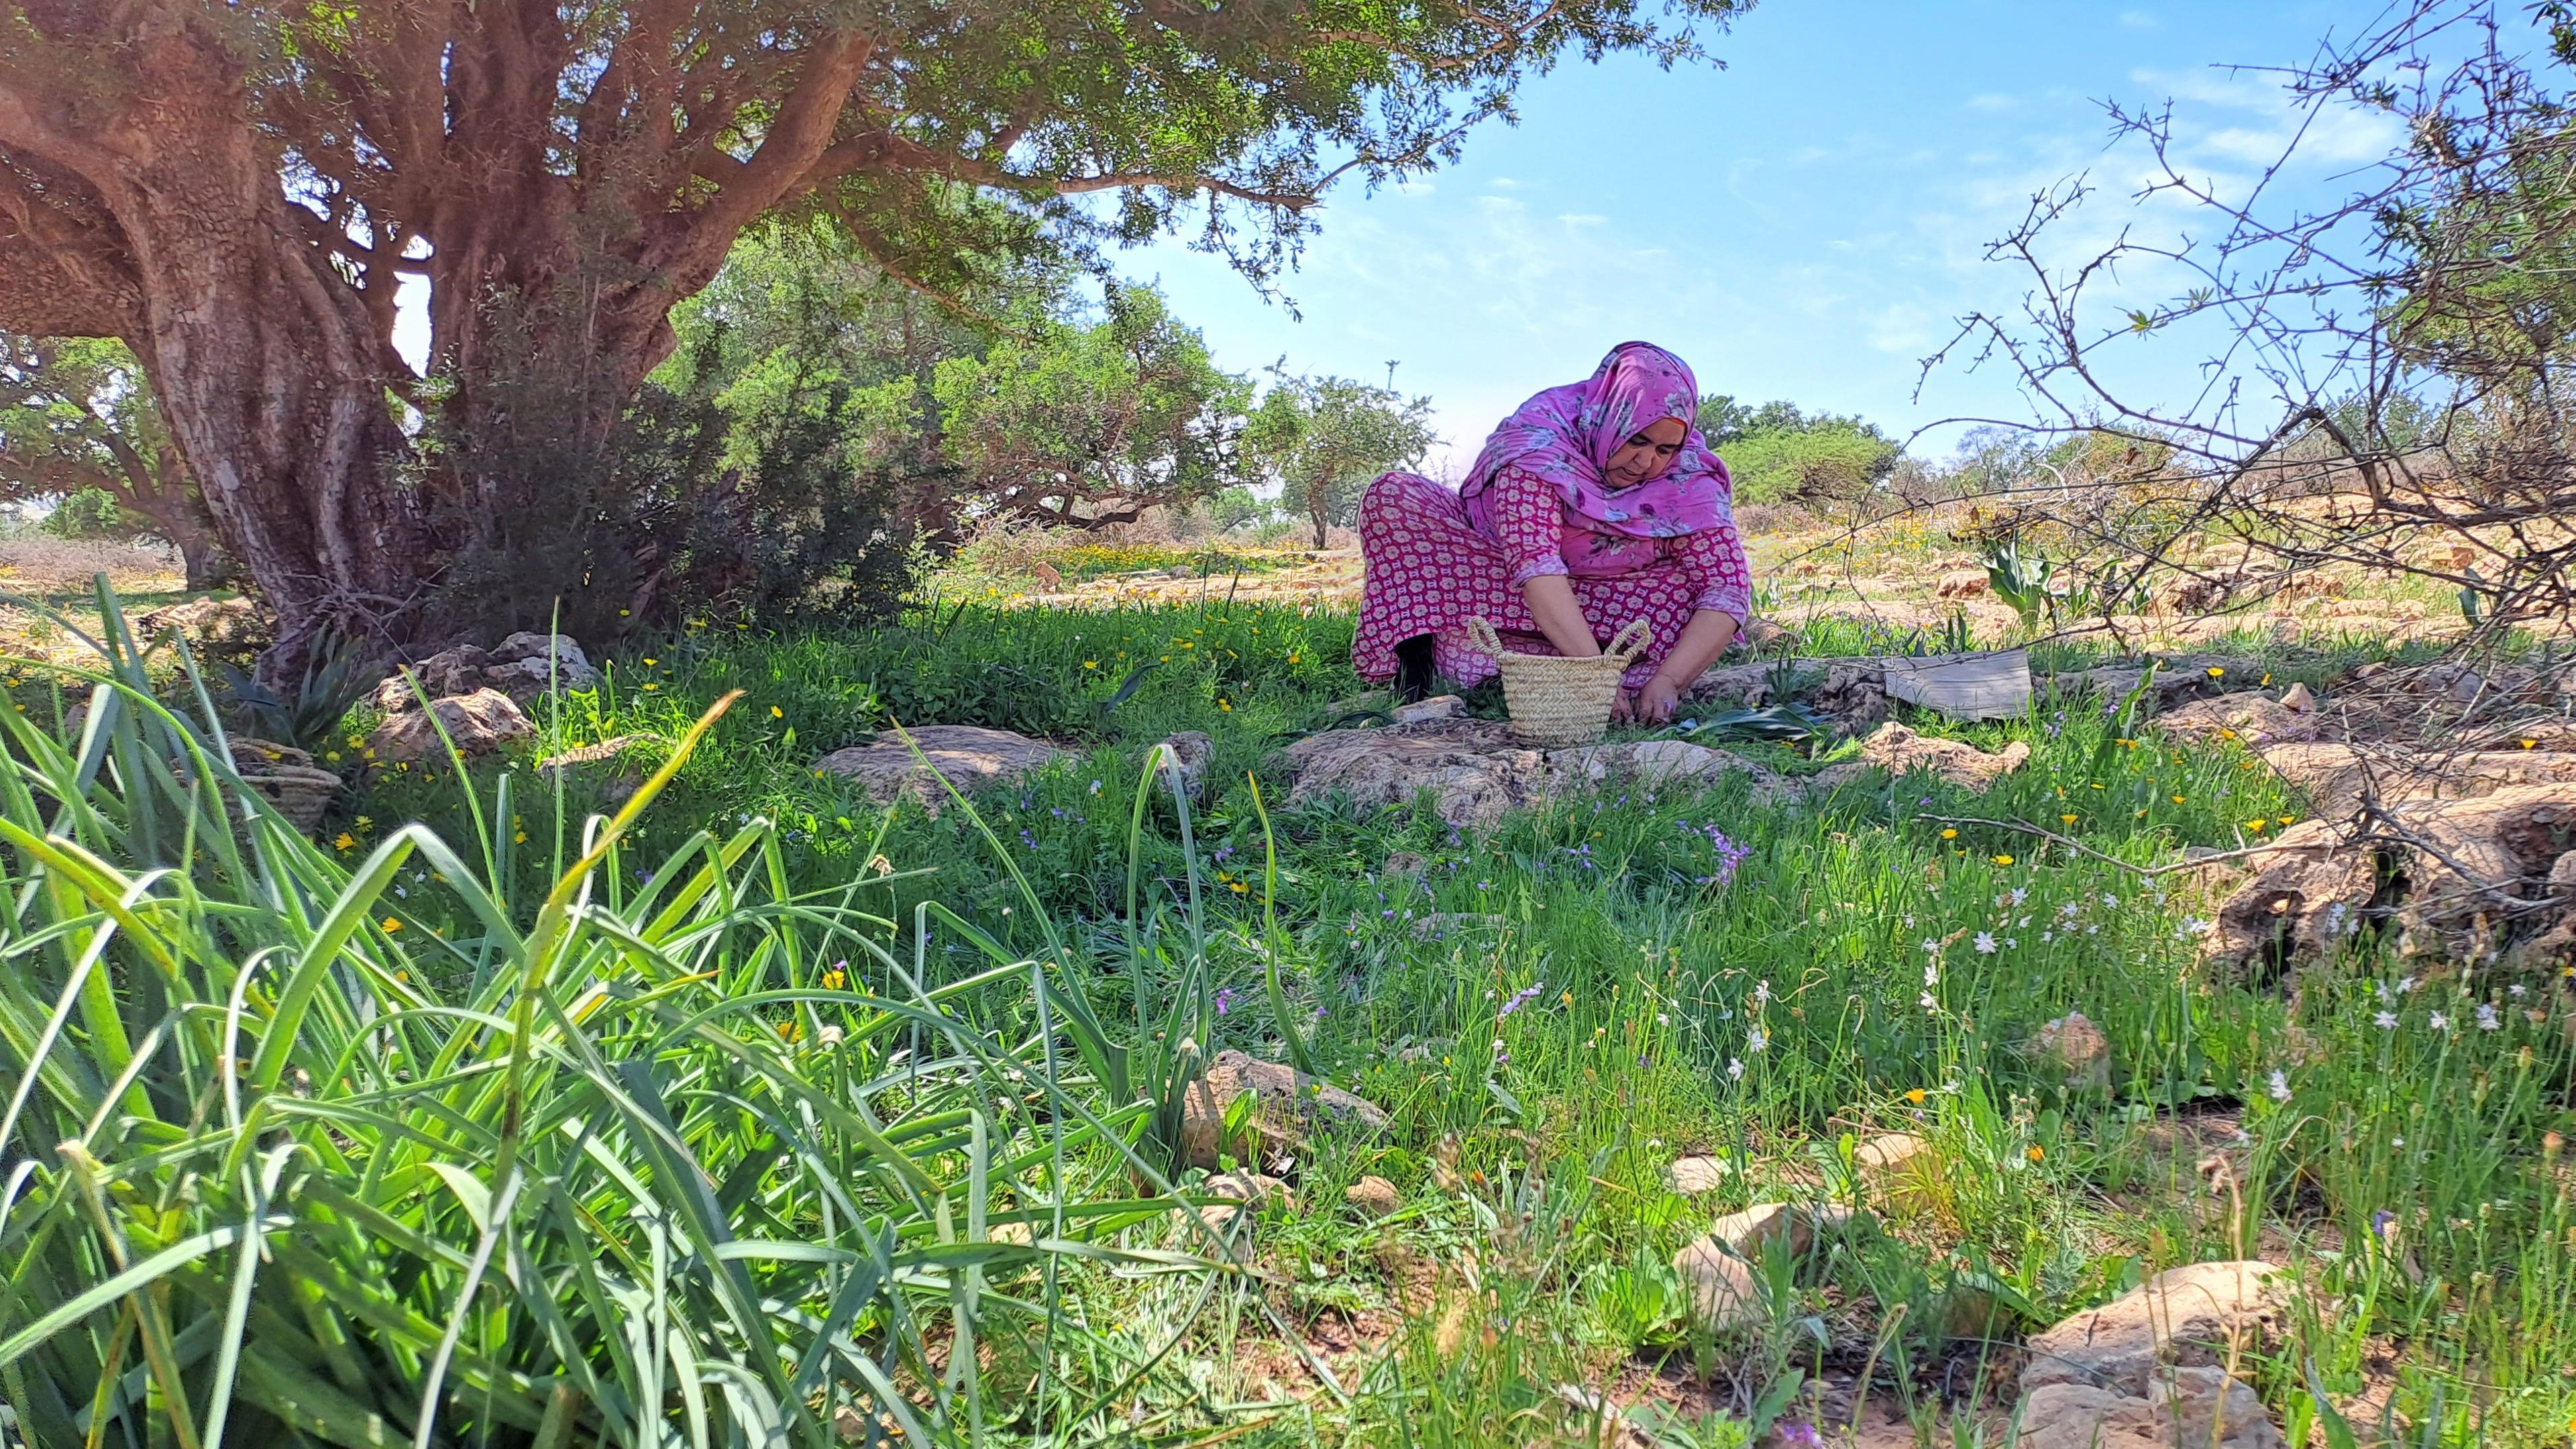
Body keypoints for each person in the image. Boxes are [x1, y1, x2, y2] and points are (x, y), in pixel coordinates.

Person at [1352, 341, 1751, 724]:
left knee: (1690, 585)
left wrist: (1671, 680)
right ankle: (1432, 669)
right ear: (1612, 416)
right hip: (1508, 588)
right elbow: (1534, 565)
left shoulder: (1691, 477)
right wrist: (1594, 674)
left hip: (1619, 610)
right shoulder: (1538, 445)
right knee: (1395, 496)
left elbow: (1728, 586)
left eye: (1665, 450)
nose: (1646, 462)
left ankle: (1619, 678)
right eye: (1637, 440)